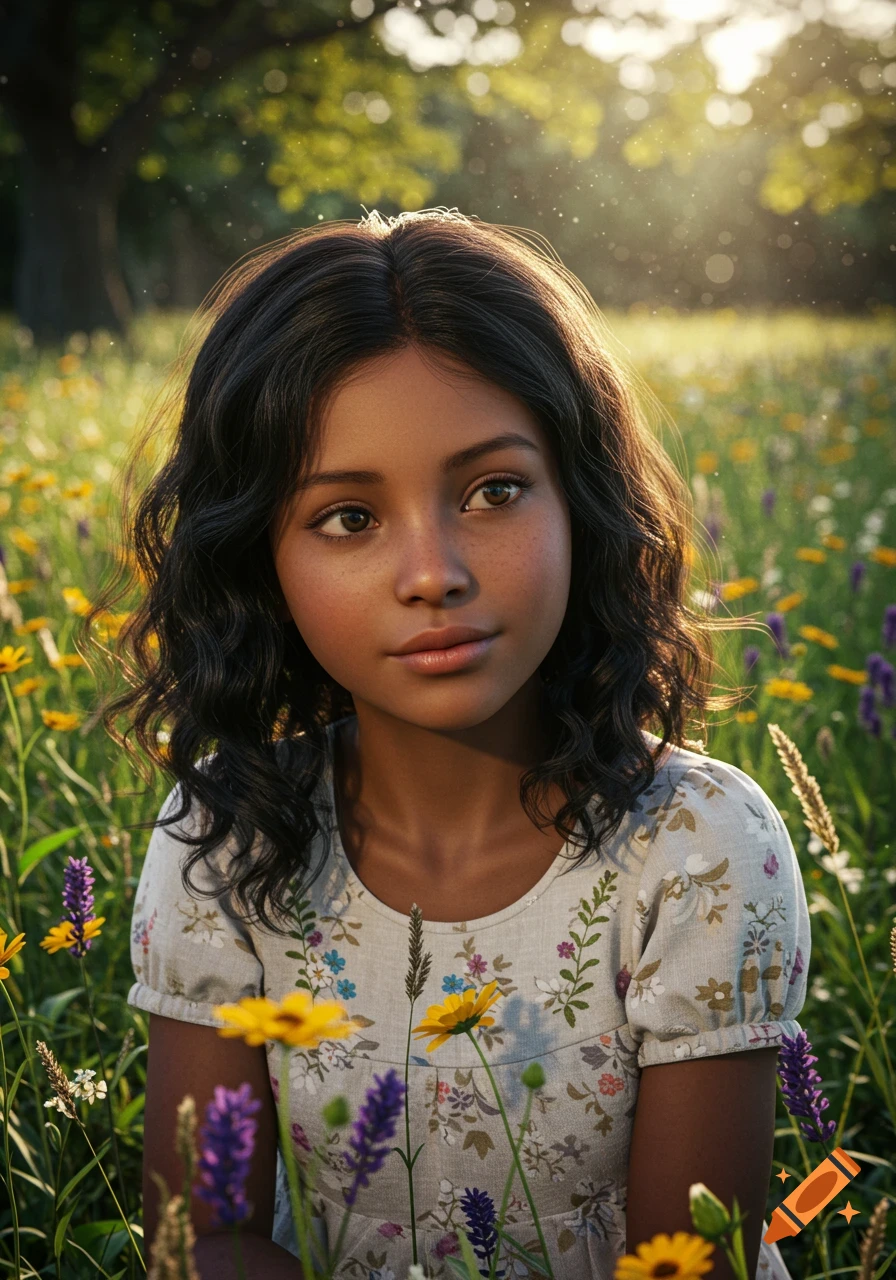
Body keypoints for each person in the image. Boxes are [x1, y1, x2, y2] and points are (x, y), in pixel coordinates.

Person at [110, 208, 810, 1279]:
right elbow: (198, 1238)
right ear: (261, 556)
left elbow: (688, 1262)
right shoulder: (227, 837)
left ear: (579, 500)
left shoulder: (698, 851)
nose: (431, 570)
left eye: (492, 490)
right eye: (347, 516)